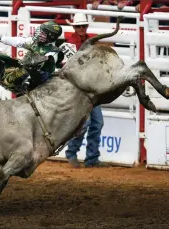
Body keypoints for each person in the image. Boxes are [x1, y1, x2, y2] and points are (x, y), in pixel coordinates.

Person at [59, 13, 105, 168]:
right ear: (74, 27)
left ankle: (91, 158)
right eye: (78, 26)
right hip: (78, 90)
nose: (81, 28)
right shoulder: (70, 43)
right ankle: (72, 153)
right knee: (85, 124)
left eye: (83, 26)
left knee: (97, 123)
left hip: (92, 88)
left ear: (86, 27)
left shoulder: (92, 40)